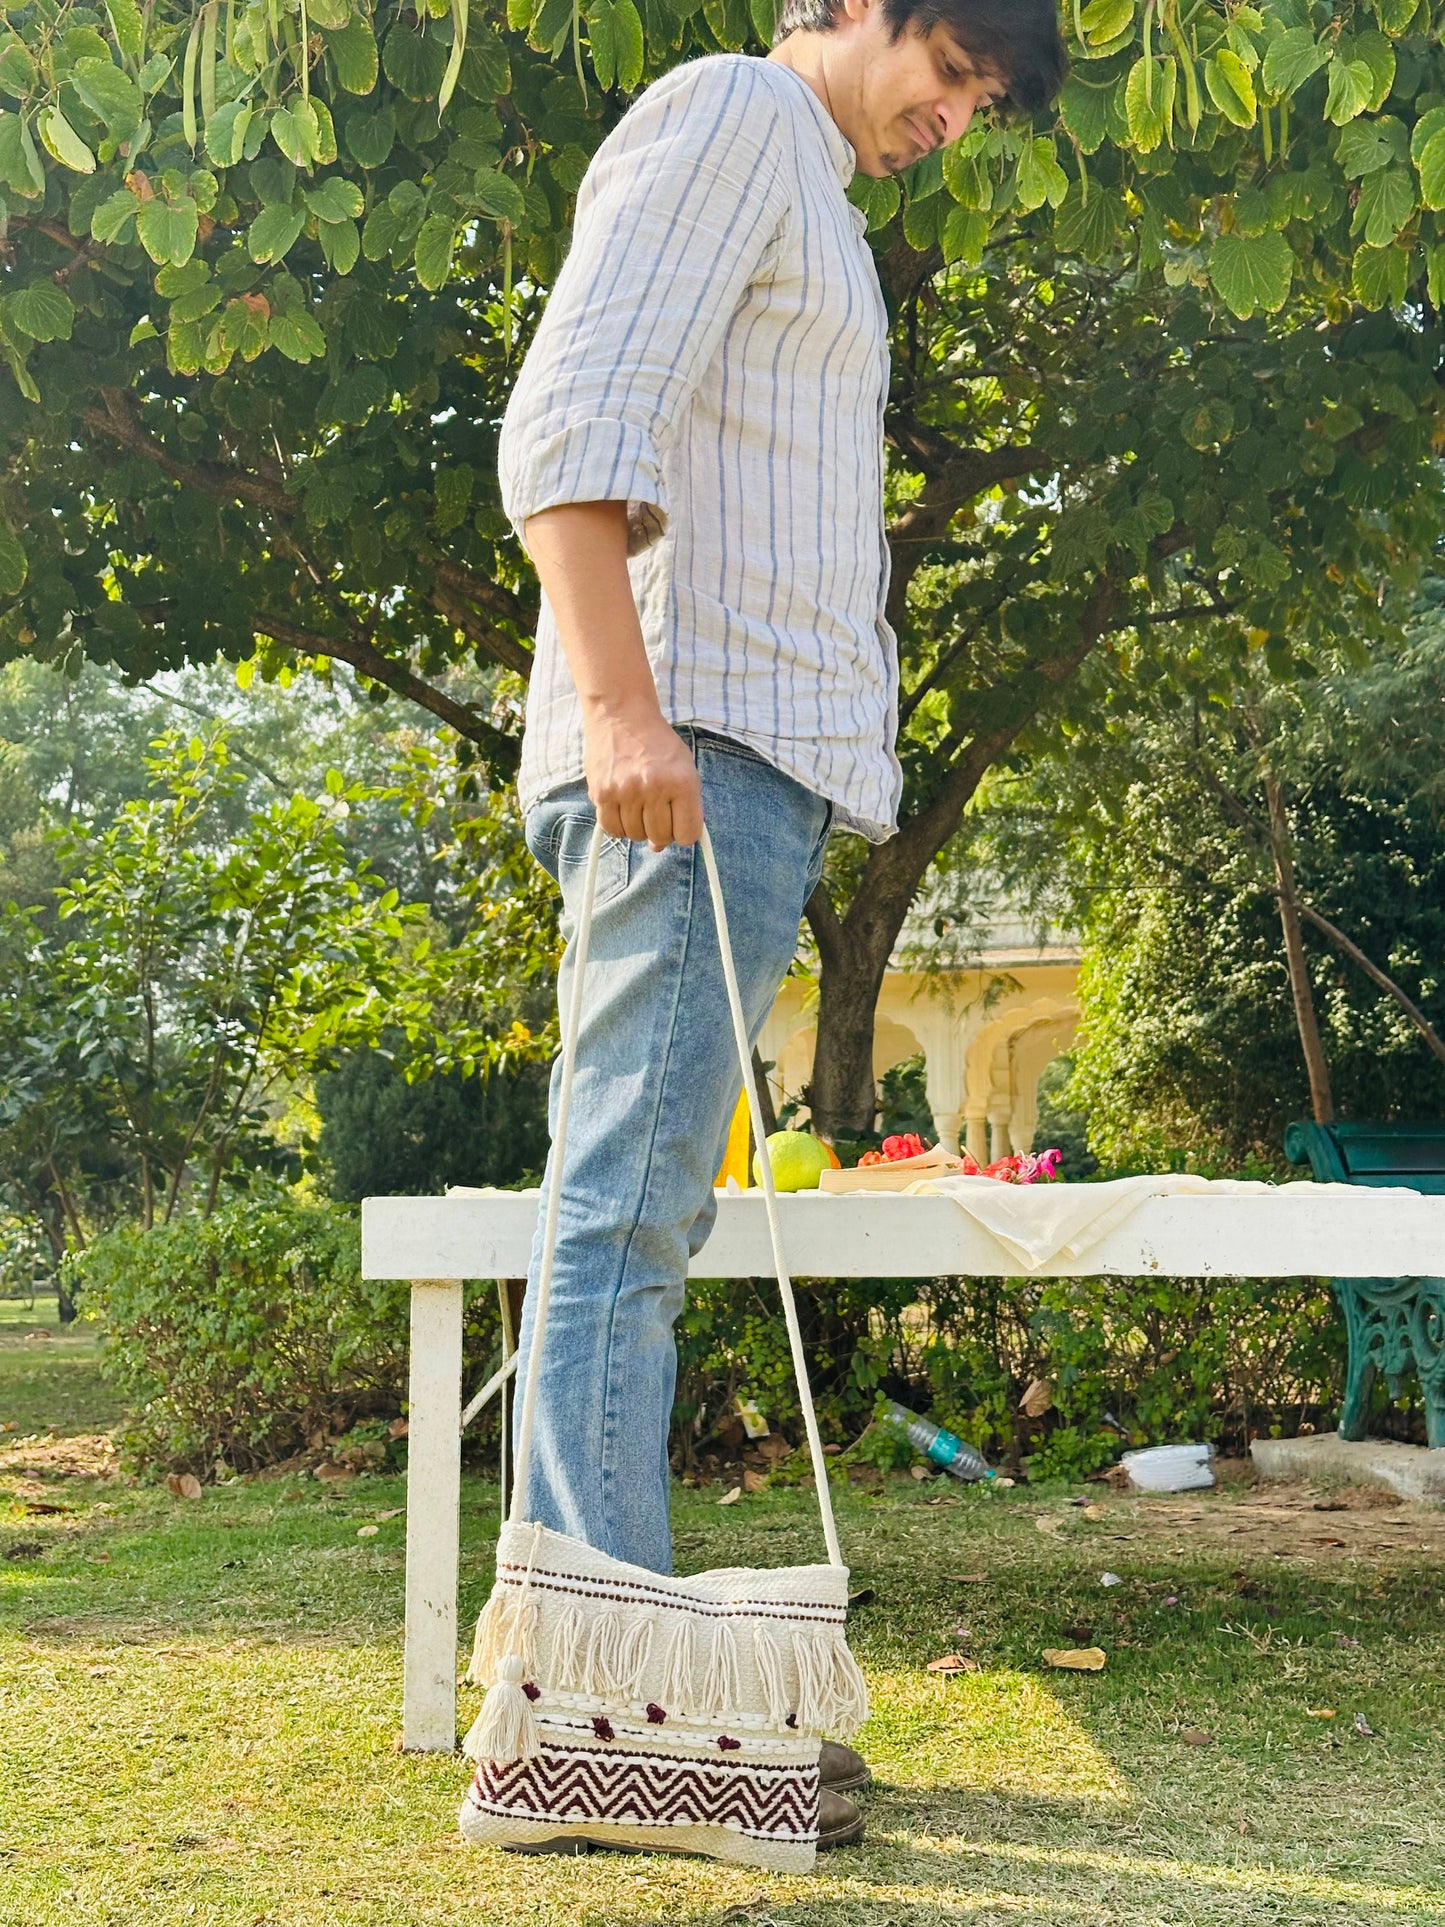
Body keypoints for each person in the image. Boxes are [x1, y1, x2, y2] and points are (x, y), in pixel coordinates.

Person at [497, 0, 1066, 1850]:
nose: (951, 121)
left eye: (979, 107)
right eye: (949, 70)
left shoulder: (808, 193)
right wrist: (621, 708)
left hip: (742, 754)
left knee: (642, 1202)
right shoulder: (736, 111)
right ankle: (601, 1713)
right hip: (693, 738)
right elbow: (575, 408)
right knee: (629, 1209)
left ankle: (617, 1688)